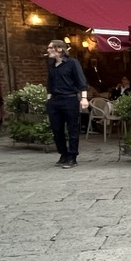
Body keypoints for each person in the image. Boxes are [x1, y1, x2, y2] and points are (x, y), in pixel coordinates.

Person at [45, 39, 89, 168]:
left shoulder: (72, 63)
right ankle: (63, 154)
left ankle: (72, 157)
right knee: (56, 129)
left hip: (69, 99)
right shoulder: (52, 65)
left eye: (50, 48)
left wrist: (84, 98)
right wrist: (48, 100)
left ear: (59, 49)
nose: (48, 50)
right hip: (55, 100)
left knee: (72, 129)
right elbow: (50, 84)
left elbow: (81, 81)